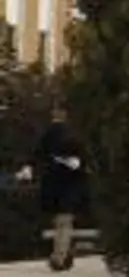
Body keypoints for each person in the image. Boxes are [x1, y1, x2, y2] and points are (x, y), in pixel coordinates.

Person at [16, 106, 86, 271]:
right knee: (65, 222)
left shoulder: (46, 135)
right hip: (69, 185)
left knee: (59, 222)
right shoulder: (73, 135)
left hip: (50, 184)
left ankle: (61, 254)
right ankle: (59, 258)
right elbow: (81, 162)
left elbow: (35, 155)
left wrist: (27, 168)